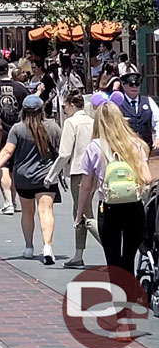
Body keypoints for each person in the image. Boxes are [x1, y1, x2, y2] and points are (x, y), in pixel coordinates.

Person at [74, 99, 154, 274]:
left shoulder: (94, 147)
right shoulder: (136, 144)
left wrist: (80, 213)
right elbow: (147, 178)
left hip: (109, 207)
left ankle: (119, 298)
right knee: (129, 258)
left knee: (113, 259)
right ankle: (131, 296)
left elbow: (86, 186)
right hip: (134, 205)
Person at [0, 95, 61, 264]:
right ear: (41, 110)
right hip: (46, 176)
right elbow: (62, 151)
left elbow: (8, 151)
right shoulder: (52, 127)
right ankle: (47, 247)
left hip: (24, 177)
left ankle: (29, 247)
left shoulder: (17, 129)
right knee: (46, 211)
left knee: (27, 212)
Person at [44, 92, 99, 268]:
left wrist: (51, 175)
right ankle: (78, 254)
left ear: (70, 104)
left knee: (83, 213)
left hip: (79, 172)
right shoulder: (92, 122)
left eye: (64, 106)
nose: (64, 110)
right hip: (96, 171)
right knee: (83, 211)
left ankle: (110, 246)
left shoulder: (71, 123)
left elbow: (65, 153)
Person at [0, 58, 29, 215]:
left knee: (3, 165)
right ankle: (13, 199)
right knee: (15, 166)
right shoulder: (20, 88)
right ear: (9, 70)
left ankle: (8, 202)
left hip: (0, 131)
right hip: (19, 129)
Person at [116, 71, 159, 151]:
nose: (134, 87)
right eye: (131, 84)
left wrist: (157, 137)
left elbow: (157, 120)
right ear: (123, 85)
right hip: (125, 148)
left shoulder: (148, 101)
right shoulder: (118, 104)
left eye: (137, 84)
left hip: (145, 147)